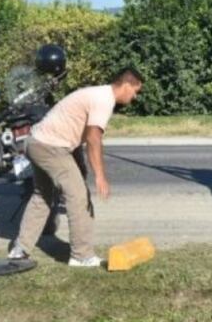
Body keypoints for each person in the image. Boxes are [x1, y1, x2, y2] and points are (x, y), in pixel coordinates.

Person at [8, 67, 144, 267]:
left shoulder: (96, 94)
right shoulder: (104, 99)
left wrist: (81, 166)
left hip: (35, 142)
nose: (135, 97)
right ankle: (81, 255)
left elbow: (77, 132)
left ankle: (20, 249)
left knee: (43, 195)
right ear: (126, 85)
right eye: (135, 91)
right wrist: (100, 176)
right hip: (51, 146)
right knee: (78, 196)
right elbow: (93, 138)